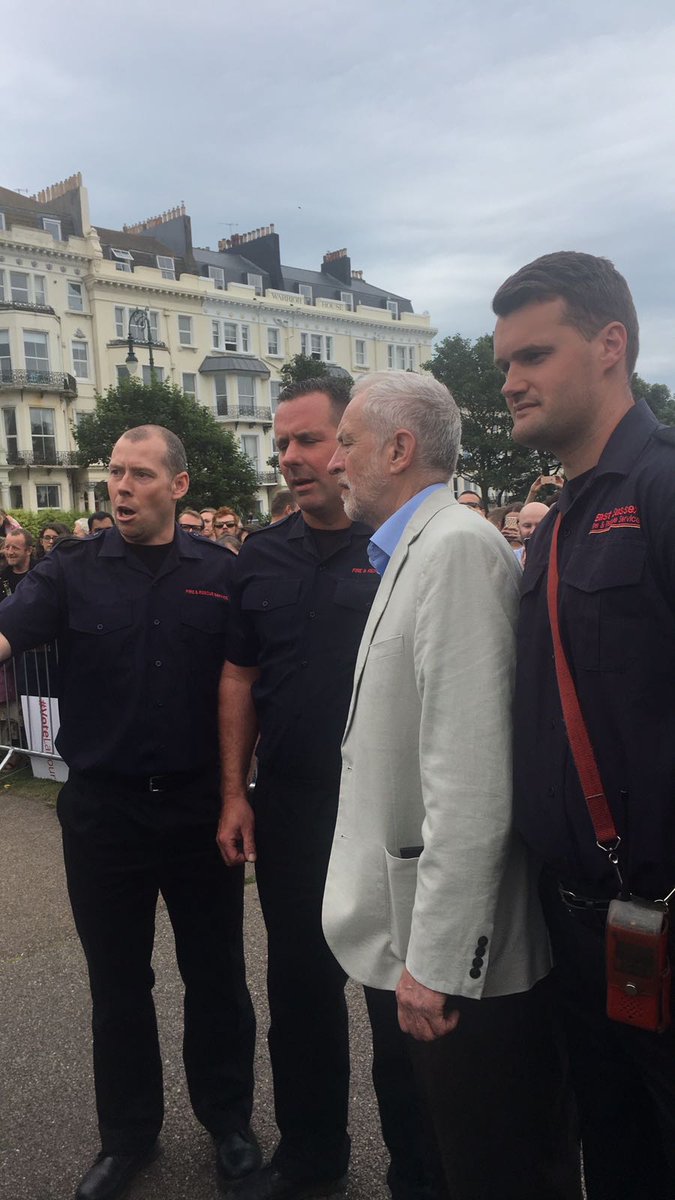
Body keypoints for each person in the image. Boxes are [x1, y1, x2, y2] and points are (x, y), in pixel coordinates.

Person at [322, 370, 581, 1200]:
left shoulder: (456, 550)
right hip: (416, 939)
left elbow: (471, 780)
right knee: (441, 1159)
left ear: (399, 449)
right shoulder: (422, 547)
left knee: (492, 1168)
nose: (332, 460)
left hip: (456, 967)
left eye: (347, 442)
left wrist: (437, 962)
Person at [0, 426, 258, 1200]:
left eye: (140, 474)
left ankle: (229, 1123)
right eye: (114, 472)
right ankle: (127, 1137)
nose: (121, 486)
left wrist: (237, 794)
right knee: (117, 985)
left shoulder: (221, 573)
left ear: (178, 487)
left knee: (216, 976)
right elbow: (8, 633)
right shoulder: (70, 571)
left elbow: (245, 686)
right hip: (103, 813)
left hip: (196, 809)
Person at [218, 378, 442, 1200]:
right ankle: (311, 1157)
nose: (291, 458)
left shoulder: (402, 549)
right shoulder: (259, 556)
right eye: (282, 443)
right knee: (301, 995)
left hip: (383, 813)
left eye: (310, 440)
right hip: (292, 808)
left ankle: (419, 1176)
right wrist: (234, 791)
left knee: (394, 1006)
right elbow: (239, 677)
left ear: (350, 442)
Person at [493, 250, 675, 1200]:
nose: (509, 382)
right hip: (575, 923)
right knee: (612, 1152)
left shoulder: (662, 489)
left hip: (660, 913)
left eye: (533, 355)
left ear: (610, 346)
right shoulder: (559, 520)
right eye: (504, 364)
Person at [0, 528, 34, 595]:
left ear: (29, 550)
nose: (10, 552)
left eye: (15, 548)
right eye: (7, 547)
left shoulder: (40, 573)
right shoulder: (2, 577)